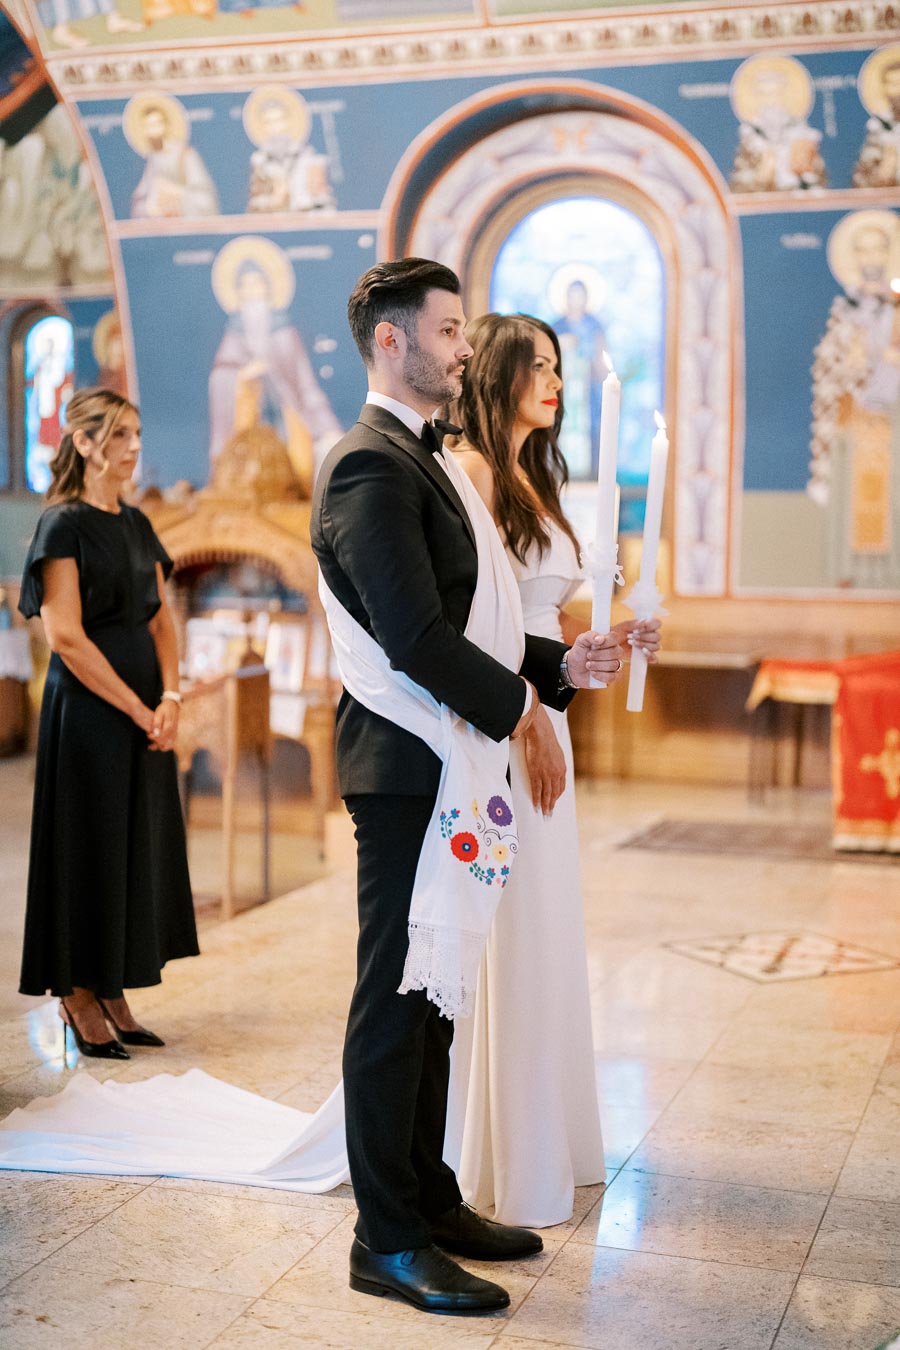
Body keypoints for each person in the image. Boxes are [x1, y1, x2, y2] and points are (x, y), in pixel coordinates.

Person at [310, 258, 625, 1315]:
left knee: (438, 994)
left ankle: (432, 1196)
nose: (462, 345)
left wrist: (558, 670)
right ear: (392, 340)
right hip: (404, 767)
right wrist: (523, 709)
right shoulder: (368, 465)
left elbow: (481, 624)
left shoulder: (434, 462)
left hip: (450, 758)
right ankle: (384, 1237)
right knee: (395, 999)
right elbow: (413, 637)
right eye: (448, 329)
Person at [444, 312, 661, 1227]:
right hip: (495, 729)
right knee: (507, 924)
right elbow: (472, 631)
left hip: (540, 719)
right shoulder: (473, 472)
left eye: (561, 368)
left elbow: (540, 635)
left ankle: (540, 1132)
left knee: (543, 923)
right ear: (493, 372)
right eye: (538, 365)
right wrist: (532, 708)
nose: (556, 381)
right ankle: (484, 1145)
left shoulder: (535, 476)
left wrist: (600, 646)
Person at [18, 388, 199, 1059]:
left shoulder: (134, 520)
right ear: (85, 443)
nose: (132, 447)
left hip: (147, 707)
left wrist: (172, 697)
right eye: (118, 435)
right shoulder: (62, 524)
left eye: (135, 434)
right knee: (87, 843)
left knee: (132, 844)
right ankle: (77, 992)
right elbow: (65, 635)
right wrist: (136, 706)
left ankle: (116, 984)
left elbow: (161, 618)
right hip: (92, 710)